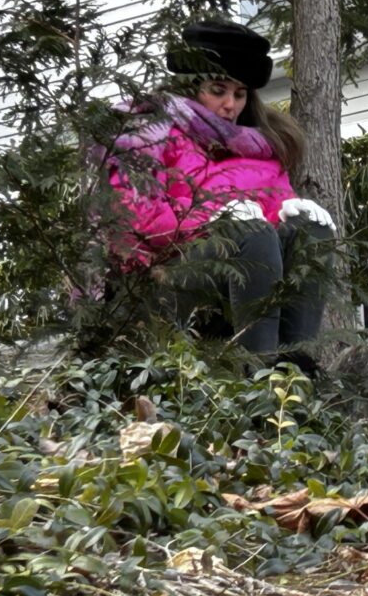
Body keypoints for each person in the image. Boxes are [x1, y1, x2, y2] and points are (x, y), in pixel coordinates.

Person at [106, 20, 336, 366]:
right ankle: (258, 371)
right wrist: (212, 221)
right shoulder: (146, 131)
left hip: (242, 282)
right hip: (163, 283)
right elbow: (137, 219)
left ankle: (295, 368)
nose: (230, 104)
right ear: (190, 85)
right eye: (218, 90)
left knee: (311, 230)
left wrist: (294, 212)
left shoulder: (262, 147)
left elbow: (272, 216)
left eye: (240, 94)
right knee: (250, 232)